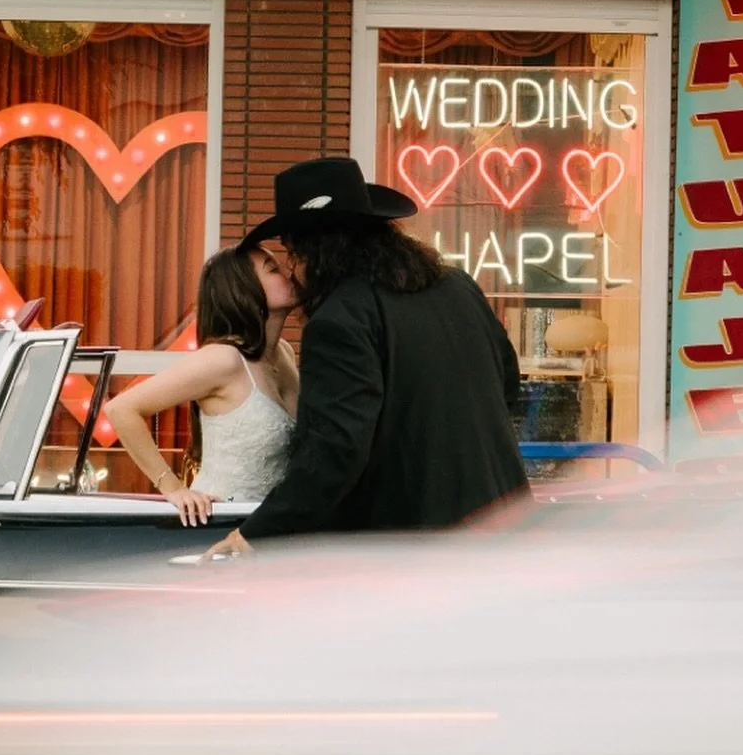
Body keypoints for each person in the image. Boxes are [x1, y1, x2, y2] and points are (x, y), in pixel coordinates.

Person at [207, 156, 530, 557]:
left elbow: (336, 450)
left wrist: (258, 532)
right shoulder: (459, 286)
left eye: (292, 252)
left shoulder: (339, 318)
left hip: (414, 546)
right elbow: (509, 385)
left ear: (318, 251)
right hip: (506, 526)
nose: (292, 267)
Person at [106, 245, 299, 526]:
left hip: (269, 527)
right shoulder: (225, 359)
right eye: (273, 269)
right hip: (218, 523)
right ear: (243, 291)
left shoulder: (284, 352)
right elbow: (120, 409)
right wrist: (173, 488)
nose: (288, 272)